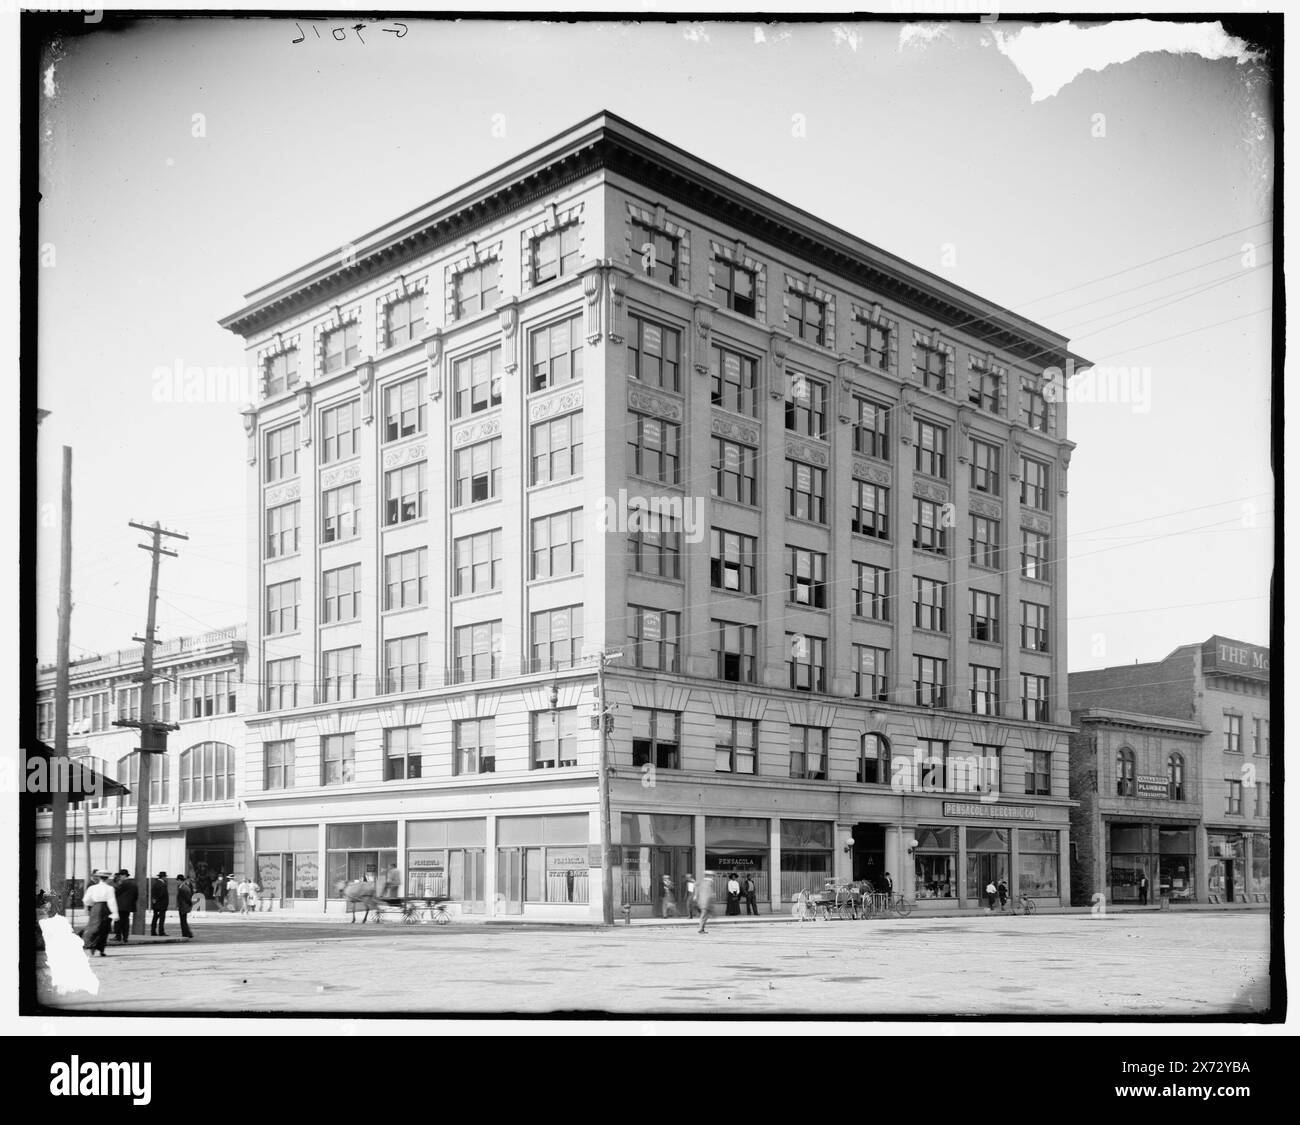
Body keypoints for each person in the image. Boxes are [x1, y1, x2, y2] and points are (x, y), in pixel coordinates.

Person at [82, 870, 119, 957]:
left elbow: (86, 900)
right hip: (105, 909)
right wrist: (115, 913)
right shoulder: (110, 888)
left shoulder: (92, 888)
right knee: (104, 928)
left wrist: (92, 904)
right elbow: (112, 901)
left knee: (93, 927)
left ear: (99, 878)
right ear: (107, 878)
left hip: (95, 908)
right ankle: (101, 949)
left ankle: (91, 946)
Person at [112, 870, 137, 943]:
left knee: (118, 922)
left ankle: (118, 936)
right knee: (126, 922)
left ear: (124, 875)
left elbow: (116, 893)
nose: (120, 877)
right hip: (128, 906)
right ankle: (125, 937)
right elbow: (136, 896)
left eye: (120, 876)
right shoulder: (133, 884)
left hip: (120, 906)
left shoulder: (123, 884)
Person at [150, 871, 169, 936]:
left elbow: (153, 894)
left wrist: (154, 900)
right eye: (165, 877)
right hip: (161, 905)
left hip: (156, 905)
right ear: (163, 877)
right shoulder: (162, 884)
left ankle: (153, 931)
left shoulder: (155, 883)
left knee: (155, 918)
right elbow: (161, 894)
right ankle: (161, 932)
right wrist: (157, 900)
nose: (166, 878)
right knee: (161, 919)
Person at [176, 874, 194, 939]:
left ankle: (186, 934)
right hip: (182, 906)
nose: (177, 882)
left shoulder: (184, 888)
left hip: (184, 906)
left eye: (177, 880)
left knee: (183, 921)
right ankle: (187, 933)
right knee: (183, 921)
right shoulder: (181, 887)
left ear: (180, 880)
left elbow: (187, 898)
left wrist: (189, 905)